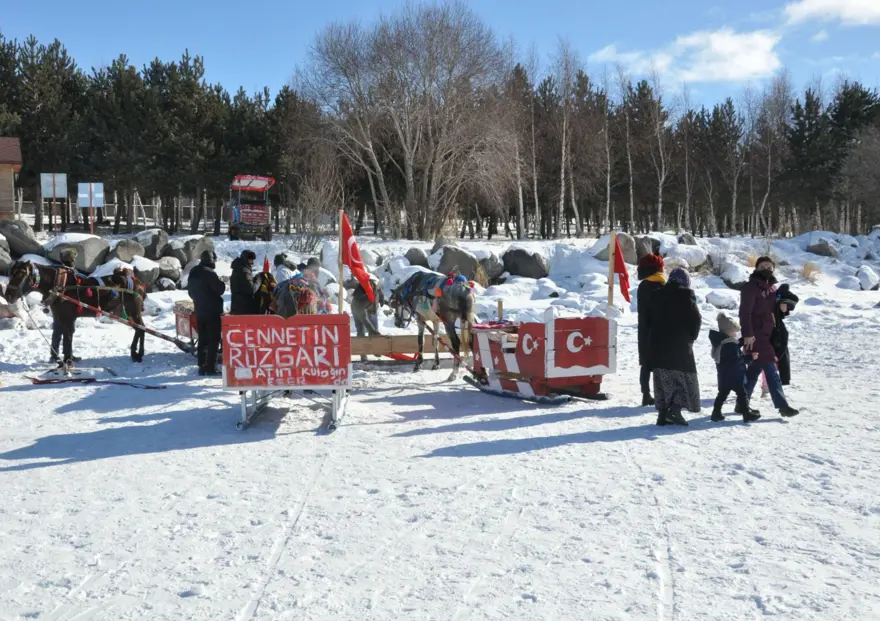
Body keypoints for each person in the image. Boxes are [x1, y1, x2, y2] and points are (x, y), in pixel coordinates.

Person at [739, 256, 799, 417]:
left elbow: (775, 309)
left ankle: (741, 403)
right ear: (757, 268)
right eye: (762, 266)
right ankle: (782, 406)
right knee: (771, 370)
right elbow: (745, 312)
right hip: (756, 335)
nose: (766, 268)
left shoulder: (772, 288)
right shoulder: (750, 287)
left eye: (769, 266)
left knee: (753, 370)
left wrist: (784, 306)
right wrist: (748, 334)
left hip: (769, 334)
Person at [647, 267, 702, 426]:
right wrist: (691, 338)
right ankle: (675, 411)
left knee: (663, 380)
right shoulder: (686, 295)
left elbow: (649, 320)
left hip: (658, 345)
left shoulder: (656, 295)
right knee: (682, 380)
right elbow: (695, 320)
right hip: (679, 346)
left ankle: (662, 415)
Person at [709, 313, 761, 423]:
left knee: (722, 394)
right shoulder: (730, 344)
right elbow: (736, 360)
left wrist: (741, 342)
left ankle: (716, 413)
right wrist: (750, 357)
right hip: (734, 375)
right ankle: (747, 414)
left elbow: (732, 353)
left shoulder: (721, 341)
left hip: (724, 375)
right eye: (734, 331)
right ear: (727, 331)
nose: (736, 333)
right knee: (742, 394)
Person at [187, 250, 226, 375]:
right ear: (211, 260)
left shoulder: (193, 271)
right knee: (214, 340)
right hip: (213, 311)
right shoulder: (210, 273)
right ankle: (211, 367)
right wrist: (221, 281)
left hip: (200, 309)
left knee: (202, 338)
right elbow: (220, 290)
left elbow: (190, 292)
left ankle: (201, 365)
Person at [637, 253, 666, 406]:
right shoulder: (662, 284)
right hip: (660, 330)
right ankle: (660, 394)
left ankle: (646, 394)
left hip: (644, 328)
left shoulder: (643, 286)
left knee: (646, 364)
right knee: (660, 364)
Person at [49, 248, 81, 364]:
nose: (74, 260)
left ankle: (63, 354)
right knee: (63, 330)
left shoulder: (70, 270)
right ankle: (59, 355)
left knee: (63, 330)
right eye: (73, 258)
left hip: (68, 305)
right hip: (62, 306)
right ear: (70, 259)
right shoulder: (61, 271)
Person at [230, 249, 258, 314]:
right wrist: (258, 280)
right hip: (244, 309)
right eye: (251, 260)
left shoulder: (238, 269)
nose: (252, 263)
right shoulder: (244, 271)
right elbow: (252, 289)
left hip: (237, 307)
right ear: (245, 259)